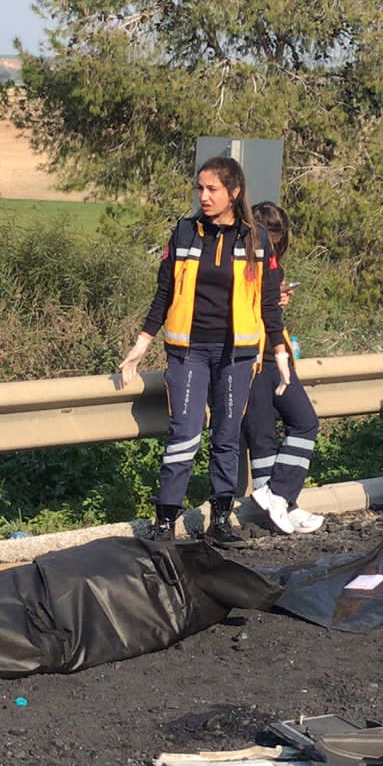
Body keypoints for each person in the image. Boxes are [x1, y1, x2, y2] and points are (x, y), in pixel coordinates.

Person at [118, 156, 289, 543]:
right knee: (185, 434)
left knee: (227, 436)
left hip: (238, 355)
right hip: (188, 351)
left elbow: (268, 304)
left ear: (234, 192)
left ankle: (221, 520)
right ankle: (165, 521)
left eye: (212, 189)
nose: (204, 196)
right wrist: (141, 342)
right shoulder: (184, 232)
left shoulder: (256, 239)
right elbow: (164, 291)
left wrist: (278, 352)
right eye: (200, 188)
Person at [242, 201, 324, 535]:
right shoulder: (240, 261)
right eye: (269, 236)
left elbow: (269, 309)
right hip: (249, 355)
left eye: (278, 238)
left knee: (304, 421)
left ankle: (281, 497)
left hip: (277, 351)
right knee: (262, 436)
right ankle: (280, 508)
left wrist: (278, 299)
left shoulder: (274, 264)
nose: (273, 245)